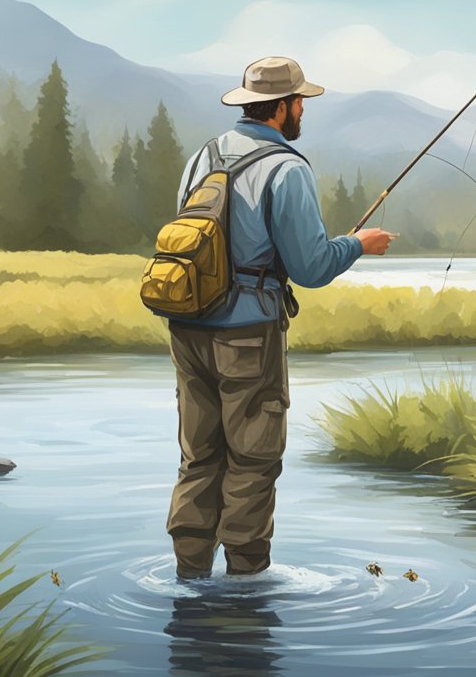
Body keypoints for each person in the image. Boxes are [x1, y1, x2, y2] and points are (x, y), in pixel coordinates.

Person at [165, 56, 396, 579]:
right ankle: (246, 585)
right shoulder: (287, 168)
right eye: (300, 103)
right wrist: (357, 244)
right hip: (248, 333)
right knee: (252, 459)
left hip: (187, 327)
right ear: (283, 107)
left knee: (199, 457)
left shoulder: (202, 157)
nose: (303, 112)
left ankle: (189, 576)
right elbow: (311, 268)